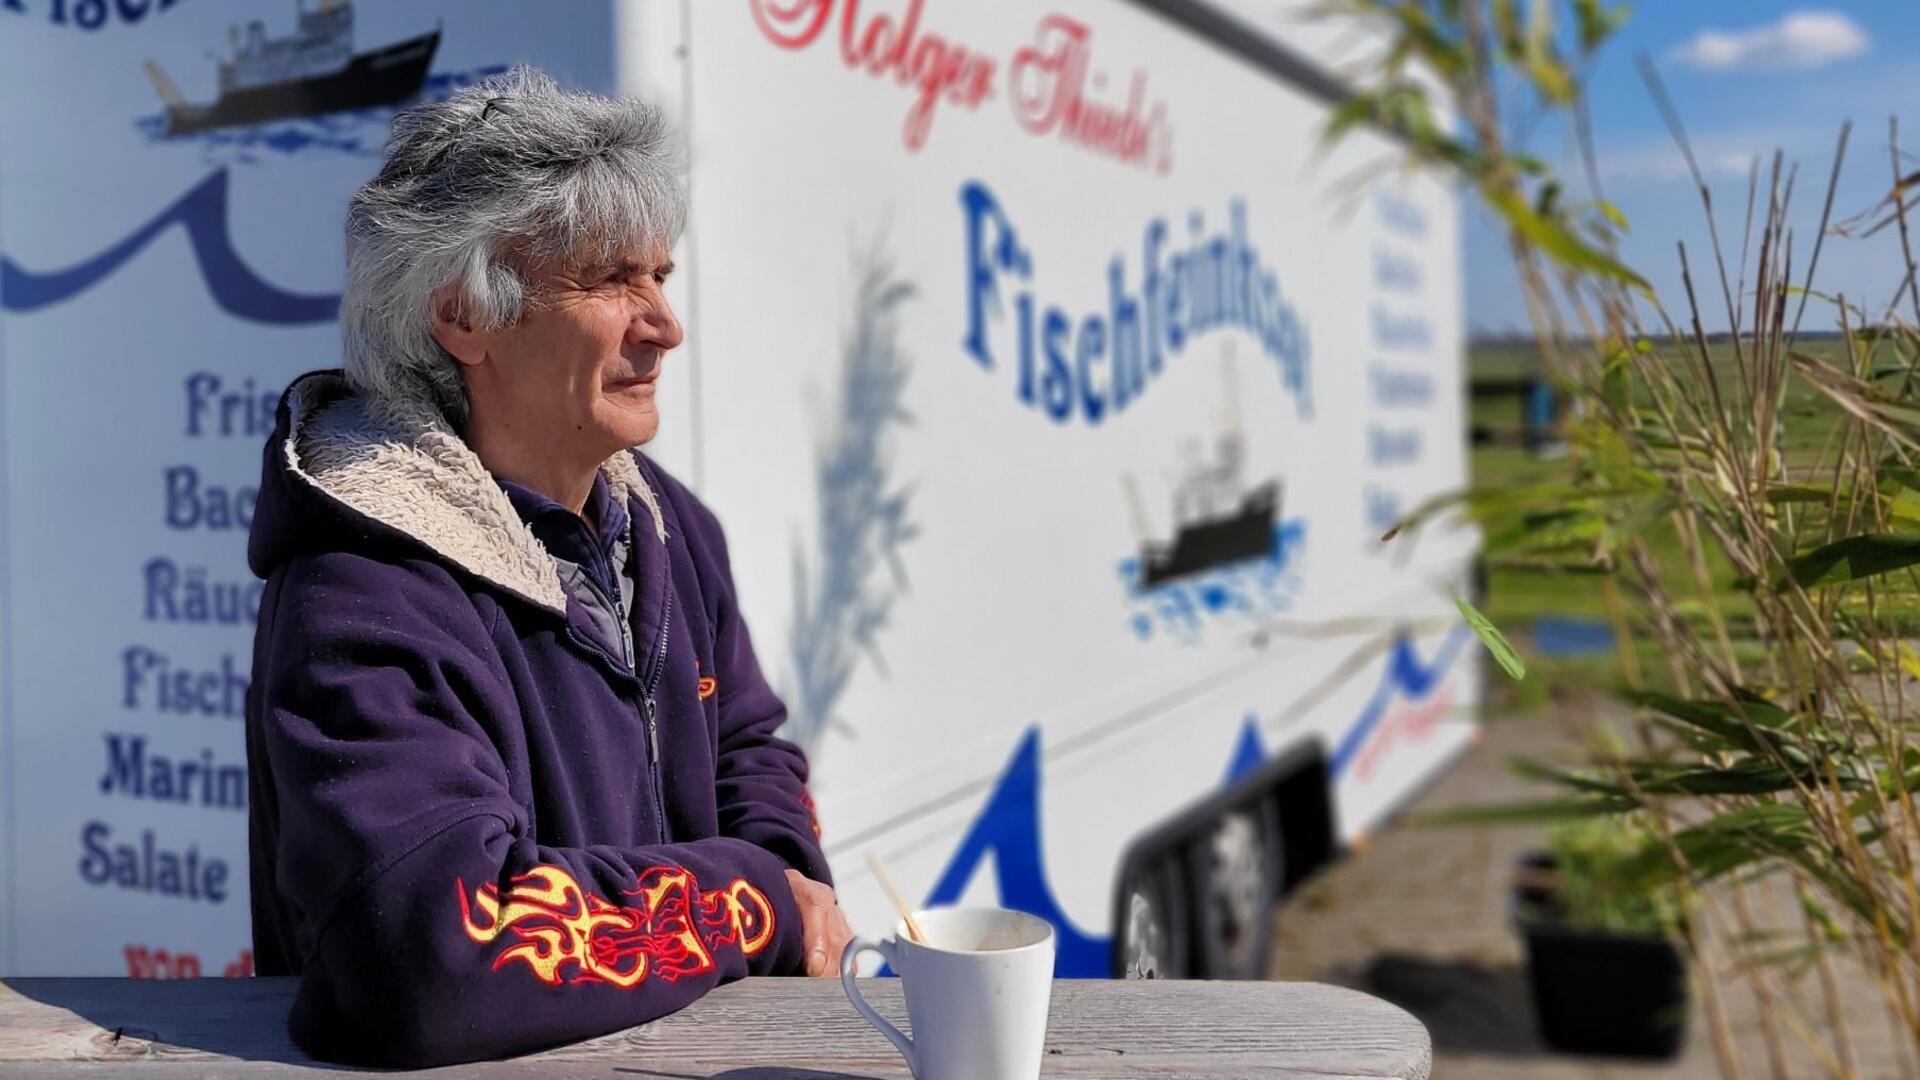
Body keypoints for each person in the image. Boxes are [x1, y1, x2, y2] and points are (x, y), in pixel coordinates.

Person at [244, 67, 853, 1068]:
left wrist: (788, 882)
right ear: (464, 319)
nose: (663, 324)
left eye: (661, 274)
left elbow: (752, 747)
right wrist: (750, 906)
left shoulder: (669, 528)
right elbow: (430, 953)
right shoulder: (365, 589)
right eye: (612, 279)